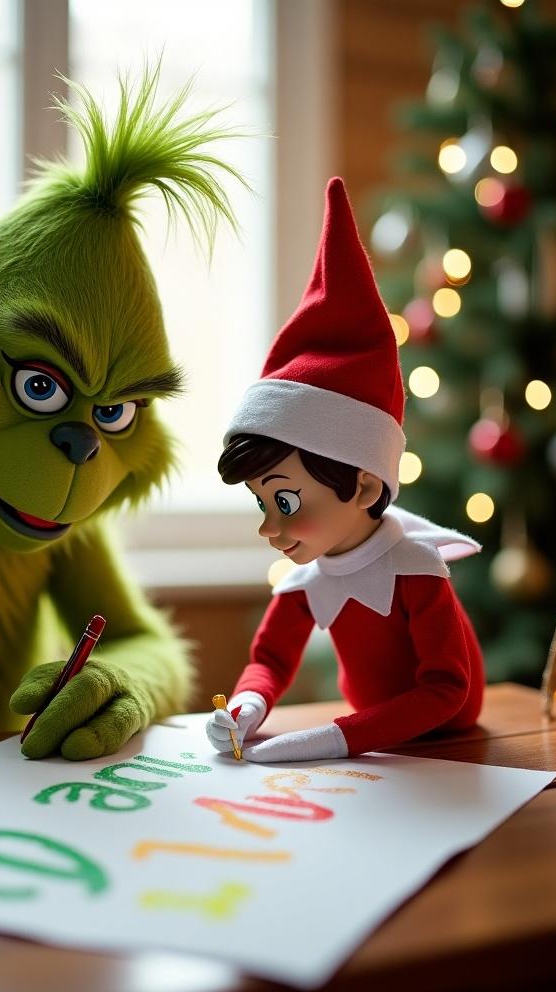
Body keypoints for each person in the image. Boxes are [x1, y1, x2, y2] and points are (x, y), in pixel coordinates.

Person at [207, 178, 485, 763]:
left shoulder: (414, 566)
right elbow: (271, 660)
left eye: (285, 502)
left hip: (446, 743)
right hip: (377, 748)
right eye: (263, 504)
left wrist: (332, 739)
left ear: (361, 484)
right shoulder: (309, 572)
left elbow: (447, 690)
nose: (269, 528)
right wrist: (248, 707)